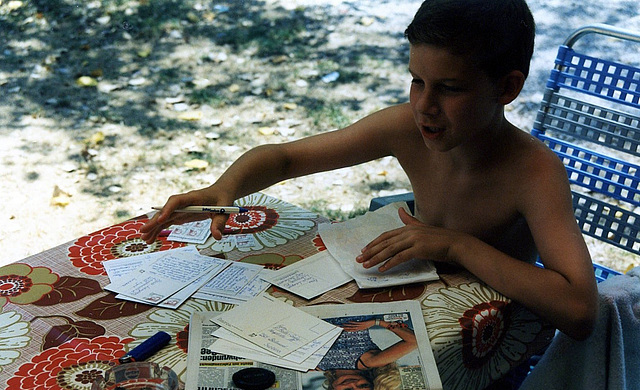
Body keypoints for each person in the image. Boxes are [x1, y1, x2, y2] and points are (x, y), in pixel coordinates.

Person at [141, 0, 598, 341]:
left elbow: (579, 308)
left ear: (507, 87)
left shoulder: (534, 172)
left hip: (488, 340)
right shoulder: (407, 127)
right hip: (412, 315)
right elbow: (284, 158)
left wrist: (458, 246)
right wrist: (226, 188)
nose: (424, 106)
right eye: (417, 80)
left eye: (449, 88)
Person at [315, 316, 416, 390]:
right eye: (363, 385)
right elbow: (413, 342)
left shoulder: (318, 366)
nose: (352, 384)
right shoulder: (369, 362)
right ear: (370, 381)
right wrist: (378, 322)